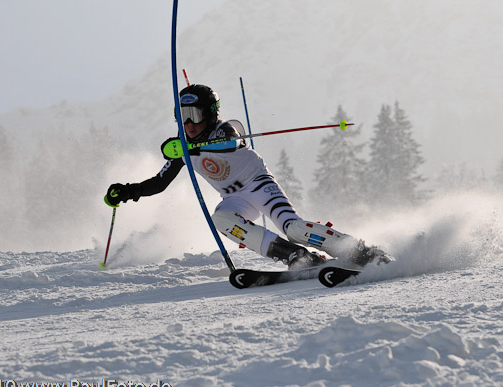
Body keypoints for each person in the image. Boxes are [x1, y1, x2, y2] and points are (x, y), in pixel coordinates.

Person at [104, 84, 377, 268]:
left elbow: (229, 144)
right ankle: (295, 256)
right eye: (182, 116)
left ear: (210, 115)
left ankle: (357, 250)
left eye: (195, 115)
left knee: (292, 228)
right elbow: (159, 183)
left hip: (260, 186)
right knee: (221, 220)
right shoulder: (184, 146)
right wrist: (126, 191)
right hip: (235, 198)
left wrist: (187, 148)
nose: (188, 124)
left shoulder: (224, 132)